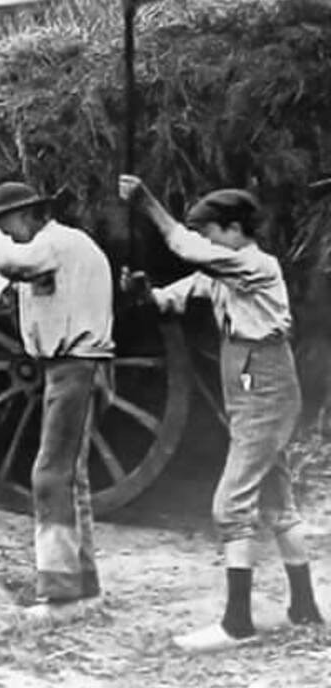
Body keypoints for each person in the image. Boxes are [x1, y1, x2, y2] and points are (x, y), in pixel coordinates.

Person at [119, 176, 323, 652]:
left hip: (265, 384)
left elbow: (185, 246)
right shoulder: (221, 275)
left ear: (235, 230)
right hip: (248, 384)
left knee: (230, 504)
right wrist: (144, 290)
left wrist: (147, 202)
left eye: (212, 232)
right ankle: (305, 609)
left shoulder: (254, 264)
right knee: (275, 499)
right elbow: (170, 298)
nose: (208, 242)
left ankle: (237, 624)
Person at [0, 175, 113, 623]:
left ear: (34, 215)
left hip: (77, 366)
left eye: (7, 223)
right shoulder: (38, 252)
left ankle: (61, 597)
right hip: (64, 369)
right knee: (72, 481)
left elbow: (9, 260)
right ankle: (85, 589)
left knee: (49, 476)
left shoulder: (58, 245)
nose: (5, 233)